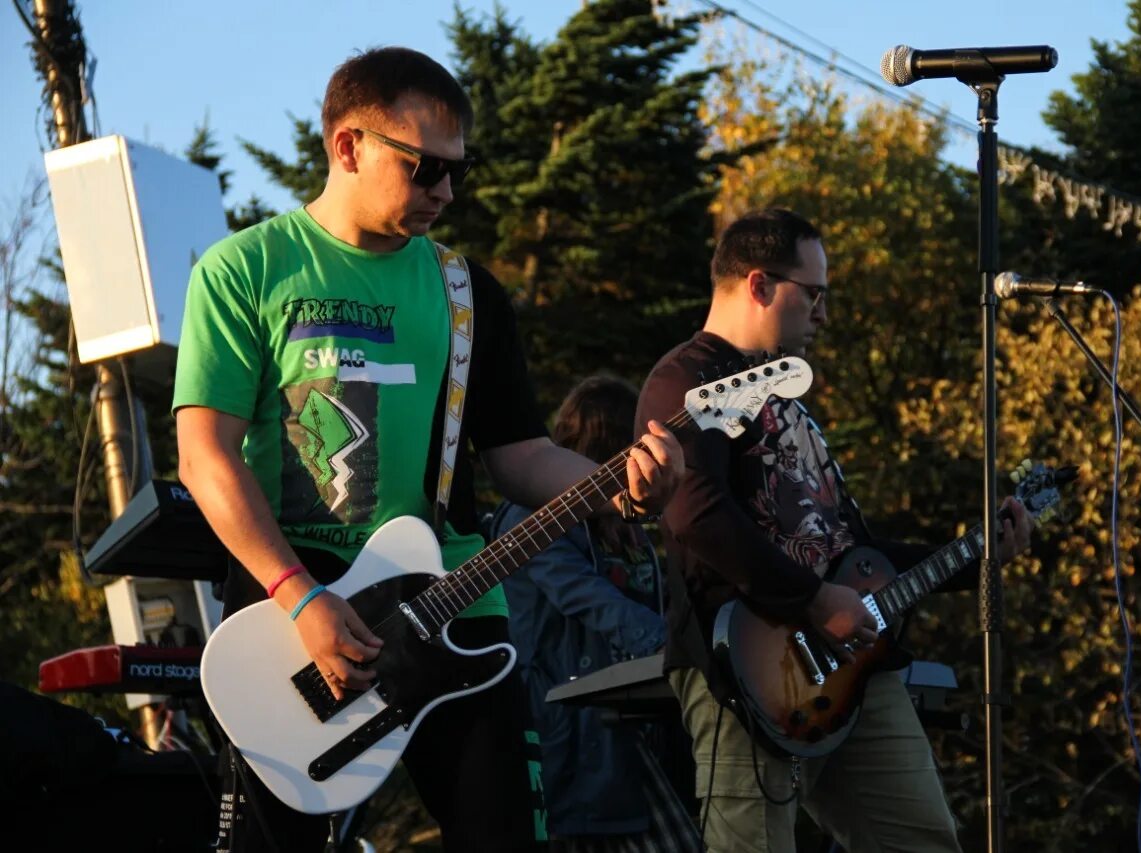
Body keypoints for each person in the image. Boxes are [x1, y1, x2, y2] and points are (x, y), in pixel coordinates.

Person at [172, 47, 683, 853]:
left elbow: (519, 456)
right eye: (423, 169)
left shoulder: (467, 291)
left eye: (458, 170)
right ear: (347, 146)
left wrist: (620, 484)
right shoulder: (246, 268)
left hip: (456, 610)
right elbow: (205, 456)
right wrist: (302, 598)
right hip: (287, 620)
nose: (445, 192)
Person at [634, 208, 1033, 853]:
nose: (823, 313)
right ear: (760, 284)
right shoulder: (686, 379)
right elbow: (697, 515)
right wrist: (816, 601)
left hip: (849, 672)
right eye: (813, 294)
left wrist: (979, 553)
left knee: (926, 840)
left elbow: (852, 556)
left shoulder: (779, 390)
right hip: (744, 673)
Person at [491, 375, 700, 853]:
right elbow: (584, 597)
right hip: (570, 734)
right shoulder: (532, 518)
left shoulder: (624, 528)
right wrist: (668, 646)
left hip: (629, 730)